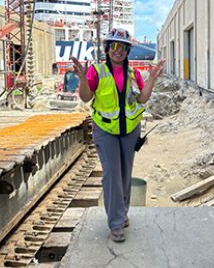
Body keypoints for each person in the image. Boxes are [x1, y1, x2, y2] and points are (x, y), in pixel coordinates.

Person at [71, 28, 165, 242]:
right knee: (112, 174)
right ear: (107, 49)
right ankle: (115, 223)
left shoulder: (132, 74)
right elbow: (86, 98)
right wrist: (83, 79)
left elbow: (141, 99)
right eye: (113, 46)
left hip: (130, 130)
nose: (118, 51)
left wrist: (151, 79)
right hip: (105, 131)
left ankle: (122, 213)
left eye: (122, 47)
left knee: (125, 173)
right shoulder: (97, 70)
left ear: (127, 50)